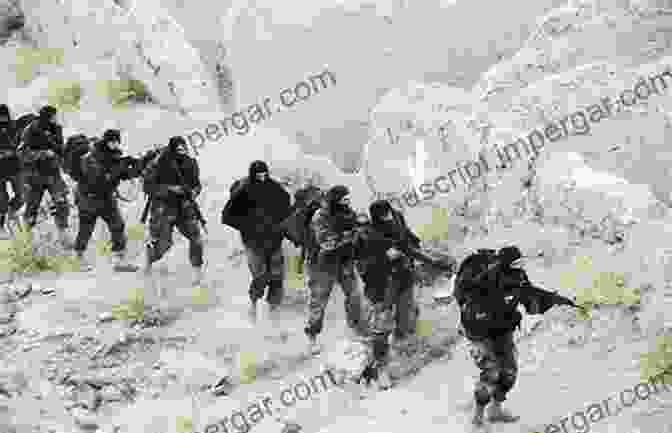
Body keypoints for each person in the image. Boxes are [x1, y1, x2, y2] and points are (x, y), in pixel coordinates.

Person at [453, 246, 581, 428]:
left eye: (521, 263)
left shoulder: (518, 278)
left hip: (502, 331)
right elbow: (467, 297)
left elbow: (530, 295)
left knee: (509, 373)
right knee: (491, 373)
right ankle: (478, 416)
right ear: (505, 264)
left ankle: (495, 410)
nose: (520, 267)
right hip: (478, 332)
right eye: (515, 264)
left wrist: (554, 299)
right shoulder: (486, 279)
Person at [220, 160, 292, 320]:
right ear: (252, 174)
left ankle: (274, 310)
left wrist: (281, 226)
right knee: (260, 276)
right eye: (258, 174)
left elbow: (287, 209)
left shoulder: (275, 188)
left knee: (277, 276)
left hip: (274, 239)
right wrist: (246, 226)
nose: (262, 177)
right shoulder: (243, 190)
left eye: (264, 173)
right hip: (253, 241)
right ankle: (253, 303)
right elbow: (227, 216)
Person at [303, 185, 362, 355]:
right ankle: (312, 337)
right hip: (322, 265)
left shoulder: (349, 213)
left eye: (348, 199)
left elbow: (357, 232)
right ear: (336, 200)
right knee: (319, 302)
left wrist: (360, 232)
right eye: (344, 199)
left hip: (344, 262)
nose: (348, 202)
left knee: (355, 296)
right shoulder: (320, 217)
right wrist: (350, 235)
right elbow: (326, 243)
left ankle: (355, 330)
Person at [73, 129, 142, 272]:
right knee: (86, 229)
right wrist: (119, 169)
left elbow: (124, 174)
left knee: (118, 225)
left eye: (117, 142)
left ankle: (120, 260)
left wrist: (139, 165)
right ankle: (79, 258)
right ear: (107, 142)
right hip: (89, 198)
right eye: (113, 142)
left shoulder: (115, 156)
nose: (116, 145)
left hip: (106, 198)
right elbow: (99, 179)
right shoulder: (90, 157)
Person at [142, 136, 205, 289]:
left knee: (196, 239)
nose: (182, 152)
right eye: (178, 149)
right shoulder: (158, 164)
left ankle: (197, 272)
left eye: (184, 149)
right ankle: (149, 261)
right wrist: (170, 189)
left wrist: (193, 193)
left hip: (185, 206)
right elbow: (148, 187)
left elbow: (197, 184)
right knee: (164, 245)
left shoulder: (191, 163)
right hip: (164, 207)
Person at [18, 105, 71, 247]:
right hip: (35, 175)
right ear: (47, 116)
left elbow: (60, 149)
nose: (56, 118)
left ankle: (64, 236)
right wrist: (42, 154)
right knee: (31, 207)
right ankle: (27, 239)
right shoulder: (30, 130)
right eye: (54, 116)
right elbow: (22, 153)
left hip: (53, 174)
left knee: (62, 204)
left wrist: (61, 160)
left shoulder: (57, 129)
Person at [0, 104, 23, 238]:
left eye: (4, 116)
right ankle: (1, 226)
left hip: (15, 167)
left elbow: (21, 144)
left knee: (22, 195)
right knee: (1, 201)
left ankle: (12, 211)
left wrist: (14, 151)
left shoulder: (14, 127)